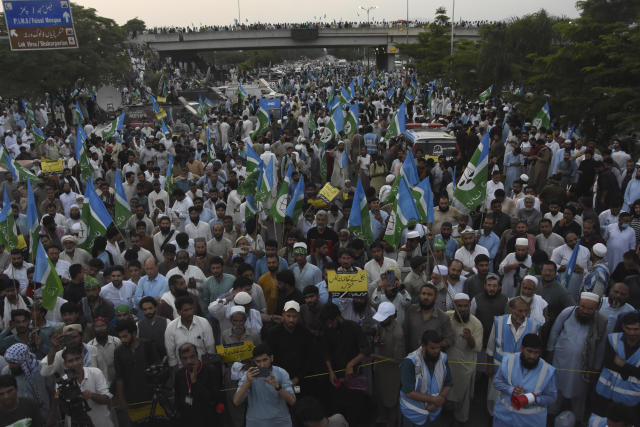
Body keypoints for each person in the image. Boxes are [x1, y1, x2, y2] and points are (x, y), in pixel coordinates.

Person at [547, 291, 607, 423]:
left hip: (583, 367)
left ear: (596, 308)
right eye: (583, 307)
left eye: (590, 309)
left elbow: (601, 348)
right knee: (556, 391)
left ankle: (578, 420)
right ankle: (550, 417)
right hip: (561, 361)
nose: (585, 311)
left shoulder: (600, 322)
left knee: (579, 395)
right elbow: (554, 332)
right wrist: (550, 352)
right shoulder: (567, 312)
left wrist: (596, 370)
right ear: (578, 303)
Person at [492, 333, 557, 426]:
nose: (532, 356)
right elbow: (497, 382)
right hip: (504, 418)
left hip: (530, 422)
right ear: (522, 348)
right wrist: (511, 390)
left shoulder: (548, 371)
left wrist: (534, 399)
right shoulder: (509, 360)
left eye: (536, 352)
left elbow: (551, 398)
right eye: (529, 351)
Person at [398, 330, 452, 427]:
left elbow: (448, 383)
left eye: (439, 347)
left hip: (434, 414)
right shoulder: (410, 362)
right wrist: (433, 400)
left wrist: (440, 399)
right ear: (423, 346)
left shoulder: (443, 358)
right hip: (413, 416)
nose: (436, 351)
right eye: (432, 348)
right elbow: (409, 392)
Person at [233, 344, 296, 426]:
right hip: (256, 422)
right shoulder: (248, 375)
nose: (262, 365)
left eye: (265, 360)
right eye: (258, 361)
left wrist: (277, 387)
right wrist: (247, 382)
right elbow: (236, 402)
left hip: (280, 421)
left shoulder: (281, 373)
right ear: (254, 361)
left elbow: (292, 401)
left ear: (271, 358)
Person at [593, 312, 640, 423]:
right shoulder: (612, 339)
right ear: (623, 326)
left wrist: (623, 365)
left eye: (636, 329)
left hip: (630, 399)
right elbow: (608, 362)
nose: (632, 332)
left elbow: (616, 364)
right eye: (629, 328)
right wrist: (633, 370)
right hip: (605, 393)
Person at [113, 318, 160, 426]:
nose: (123, 340)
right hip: (131, 398)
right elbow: (119, 377)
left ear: (134, 333)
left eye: (125, 336)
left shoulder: (147, 345)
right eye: (120, 337)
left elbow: (157, 368)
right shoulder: (118, 351)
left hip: (151, 396)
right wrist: (122, 400)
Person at [445, 293, 483, 426]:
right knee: (446, 394)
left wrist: (469, 338)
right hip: (447, 365)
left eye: (465, 306)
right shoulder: (447, 317)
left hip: (465, 368)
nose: (462, 309)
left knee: (463, 399)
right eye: (459, 306)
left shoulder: (476, 323)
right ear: (454, 306)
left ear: (469, 306)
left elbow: (477, 347)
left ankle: (460, 420)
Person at [57, 345, 113, 427]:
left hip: (101, 423)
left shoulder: (95, 373)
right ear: (65, 364)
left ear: (82, 358)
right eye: (70, 361)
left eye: (77, 359)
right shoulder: (62, 383)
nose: (75, 363)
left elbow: (106, 400)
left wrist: (91, 395)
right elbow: (64, 409)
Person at [371, 302, 405, 427]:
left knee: (391, 399)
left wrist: (377, 356)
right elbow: (378, 337)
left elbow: (398, 359)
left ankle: (392, 421)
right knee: (380, 394)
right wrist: (377, 341)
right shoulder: (381, 325)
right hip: (380, 368)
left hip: (392, 372)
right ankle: (382, 416)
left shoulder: (398, 334)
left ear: (392, 317)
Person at [174, 342, 224, 426]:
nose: (189, 361)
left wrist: (195, 382)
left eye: (192, 357)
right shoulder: (179, 374)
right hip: (188, 419)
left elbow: (213, 399)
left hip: (208, 418)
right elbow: (178, 398)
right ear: (181, 360)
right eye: (185, 358)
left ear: (197, 355)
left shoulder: (210, 370)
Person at [164, 295, 215, 367]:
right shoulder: (171, 328)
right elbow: (171, 353)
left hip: (202, 366)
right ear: (178, 312)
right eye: (186, 310)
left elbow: (210, 347)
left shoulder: (204, 323)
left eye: (191, 309)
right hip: (182, 368)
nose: (190, 313)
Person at [404, 283, 455, 353]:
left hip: (432, 359)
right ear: (419, 295)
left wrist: (433, 346)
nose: (426, 297)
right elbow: (405, 333)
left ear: (435, 297)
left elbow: (449, 339)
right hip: (412, 358)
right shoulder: (411, 311)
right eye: (423, 294)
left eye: (429, 295)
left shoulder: (443, 317)